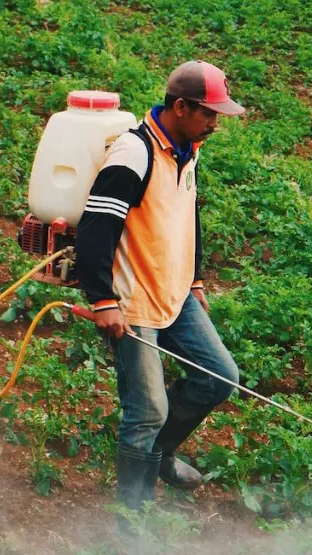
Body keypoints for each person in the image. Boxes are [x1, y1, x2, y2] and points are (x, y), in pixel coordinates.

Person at [75, 60, 246, 518]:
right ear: (182, 106)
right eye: (210, 113)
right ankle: (133, 519)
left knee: (219, 376)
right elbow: (94, 230)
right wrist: (103, 300)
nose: (215, 123)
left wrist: (194, 277)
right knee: (146, 410)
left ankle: (161, 453)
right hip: (133, 302)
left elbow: (186, 213)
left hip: (175, 294)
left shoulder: (187, 149)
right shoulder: (133, 154)